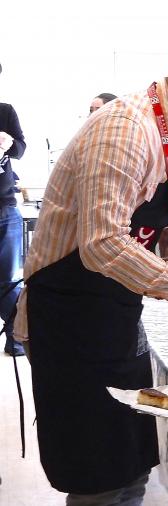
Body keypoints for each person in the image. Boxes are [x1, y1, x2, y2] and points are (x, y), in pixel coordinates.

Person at [12, 19, 168, 502]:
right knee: (96, 477)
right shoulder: (126, 127)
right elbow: (102, 244)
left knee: (131, 467)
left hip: (118, 315)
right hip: (69, 317)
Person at [0, 62, 26, 357]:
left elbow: (21, 147)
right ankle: (19, 332)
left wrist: (8, 145)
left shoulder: (5, 111)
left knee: (7, 281)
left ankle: (17, 337)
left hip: (6, 206)